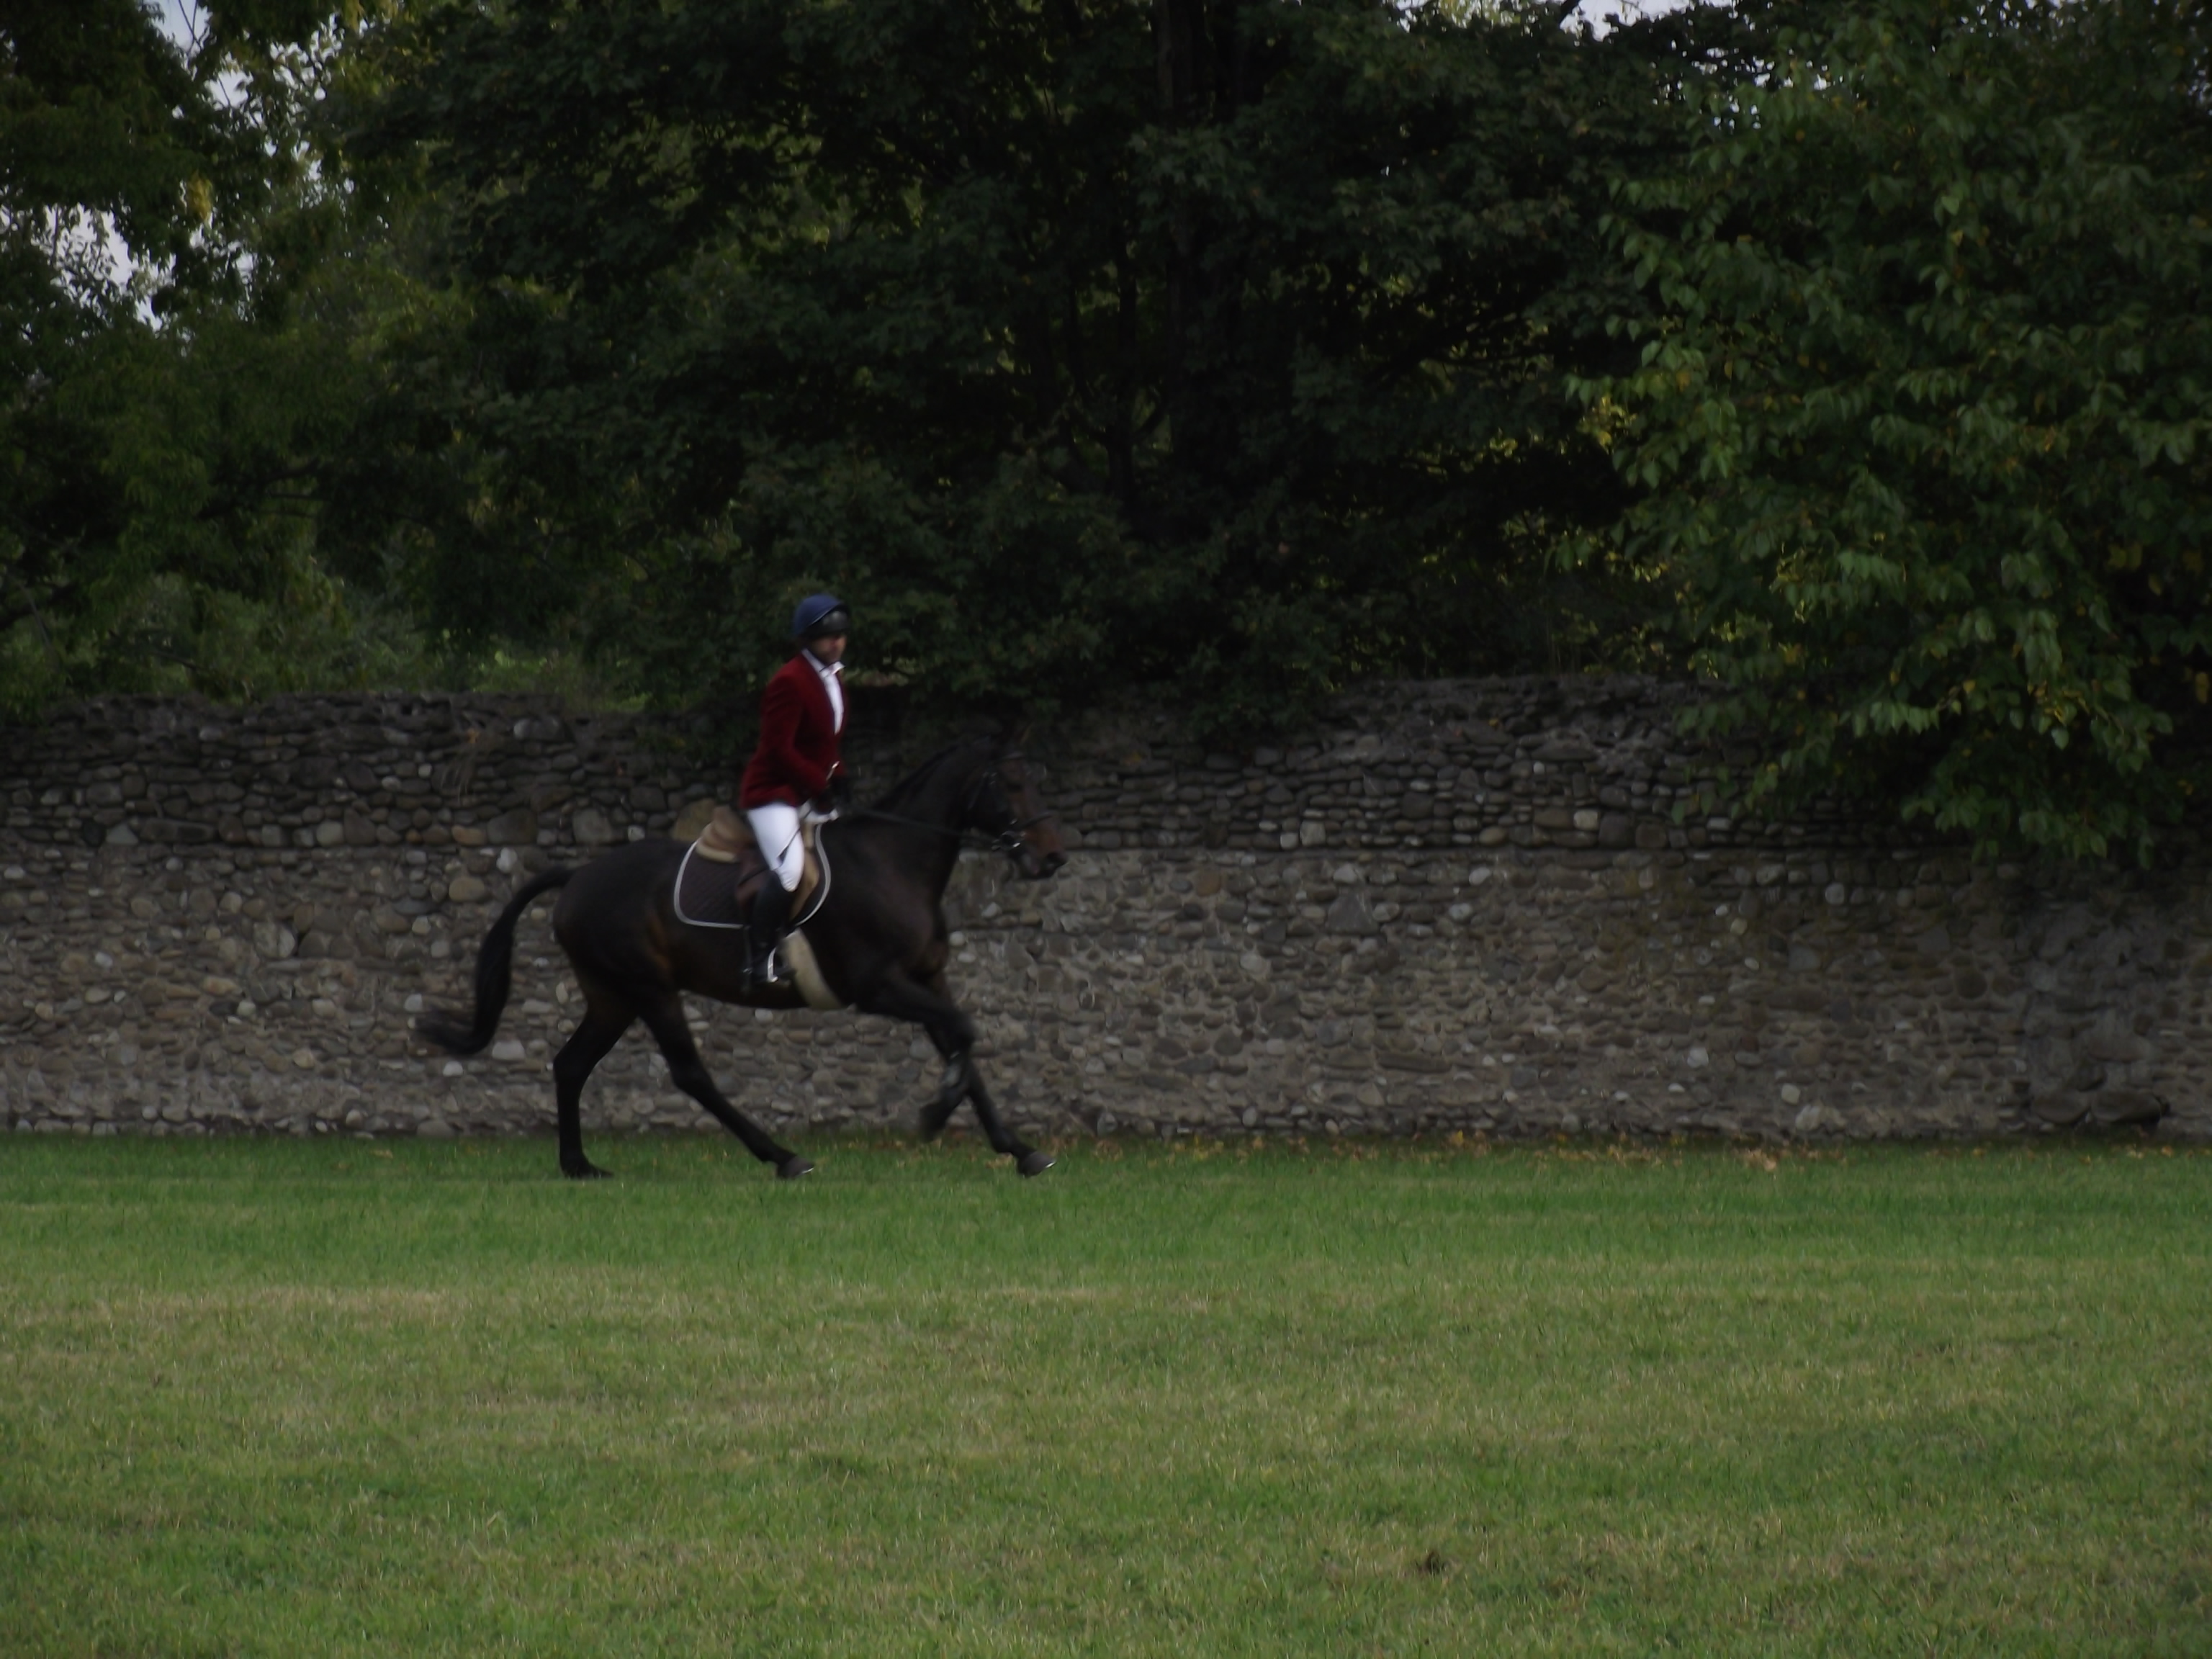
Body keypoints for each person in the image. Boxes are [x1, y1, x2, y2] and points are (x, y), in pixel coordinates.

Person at [737, 593, 850, 985]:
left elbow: (824, 743)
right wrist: (819, 782)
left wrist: (839, 772)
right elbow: (779, 749)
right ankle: (761, 958)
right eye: (826, 637)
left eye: (840, 635)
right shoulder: (789, 681)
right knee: (790, 871)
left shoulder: (834, 678)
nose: (835, 643)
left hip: (807, 790)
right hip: (774, 792)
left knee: (843, 856)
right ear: (807, 640)